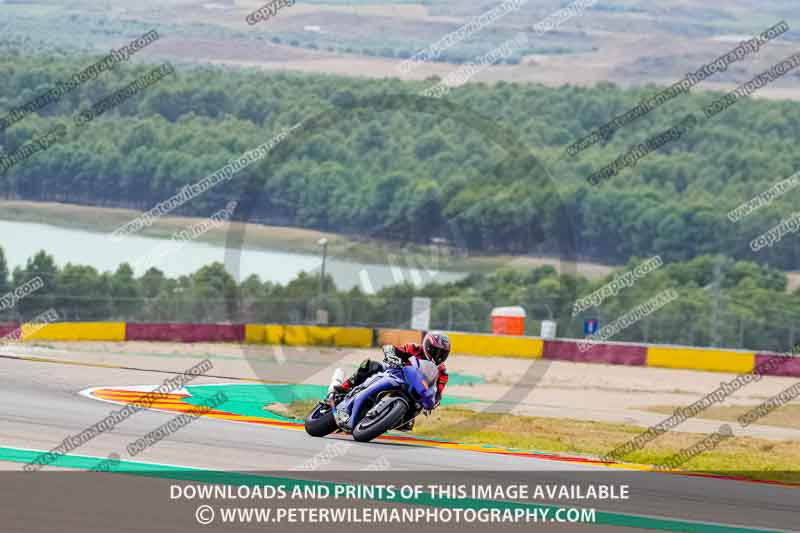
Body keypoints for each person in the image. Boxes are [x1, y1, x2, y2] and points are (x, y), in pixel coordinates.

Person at [331, 332, 451, 431]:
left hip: (416, 390)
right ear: (427, 345)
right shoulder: (414, 348)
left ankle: (398, 419)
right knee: (371, 366)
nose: (438, 355)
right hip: (396, 374)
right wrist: (391, 355)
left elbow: (438, 392)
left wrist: (434, 401)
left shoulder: (442, 372)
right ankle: (345, 387)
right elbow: (391, 349)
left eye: (442, 353)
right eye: (435, 350)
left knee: (415, 412)